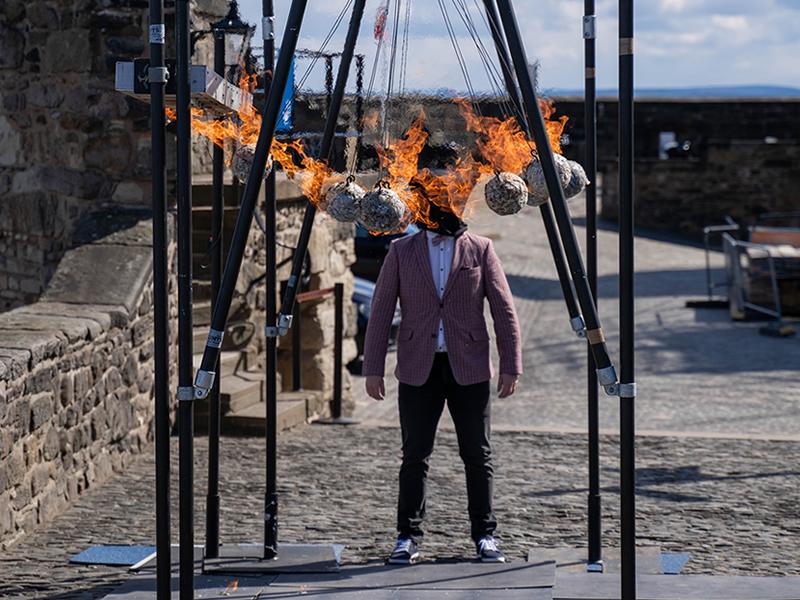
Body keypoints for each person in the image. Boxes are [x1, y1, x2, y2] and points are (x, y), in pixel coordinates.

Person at [362, 202, 522, 565]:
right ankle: (407, 536)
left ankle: (485, 535)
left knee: (478, 455)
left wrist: (511, 364)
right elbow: (382, 309)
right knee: (414, 455)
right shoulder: (401, 250)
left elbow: (504, 309)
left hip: (469, 367)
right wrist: (373, 368)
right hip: (419, 367)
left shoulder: (480, 249)